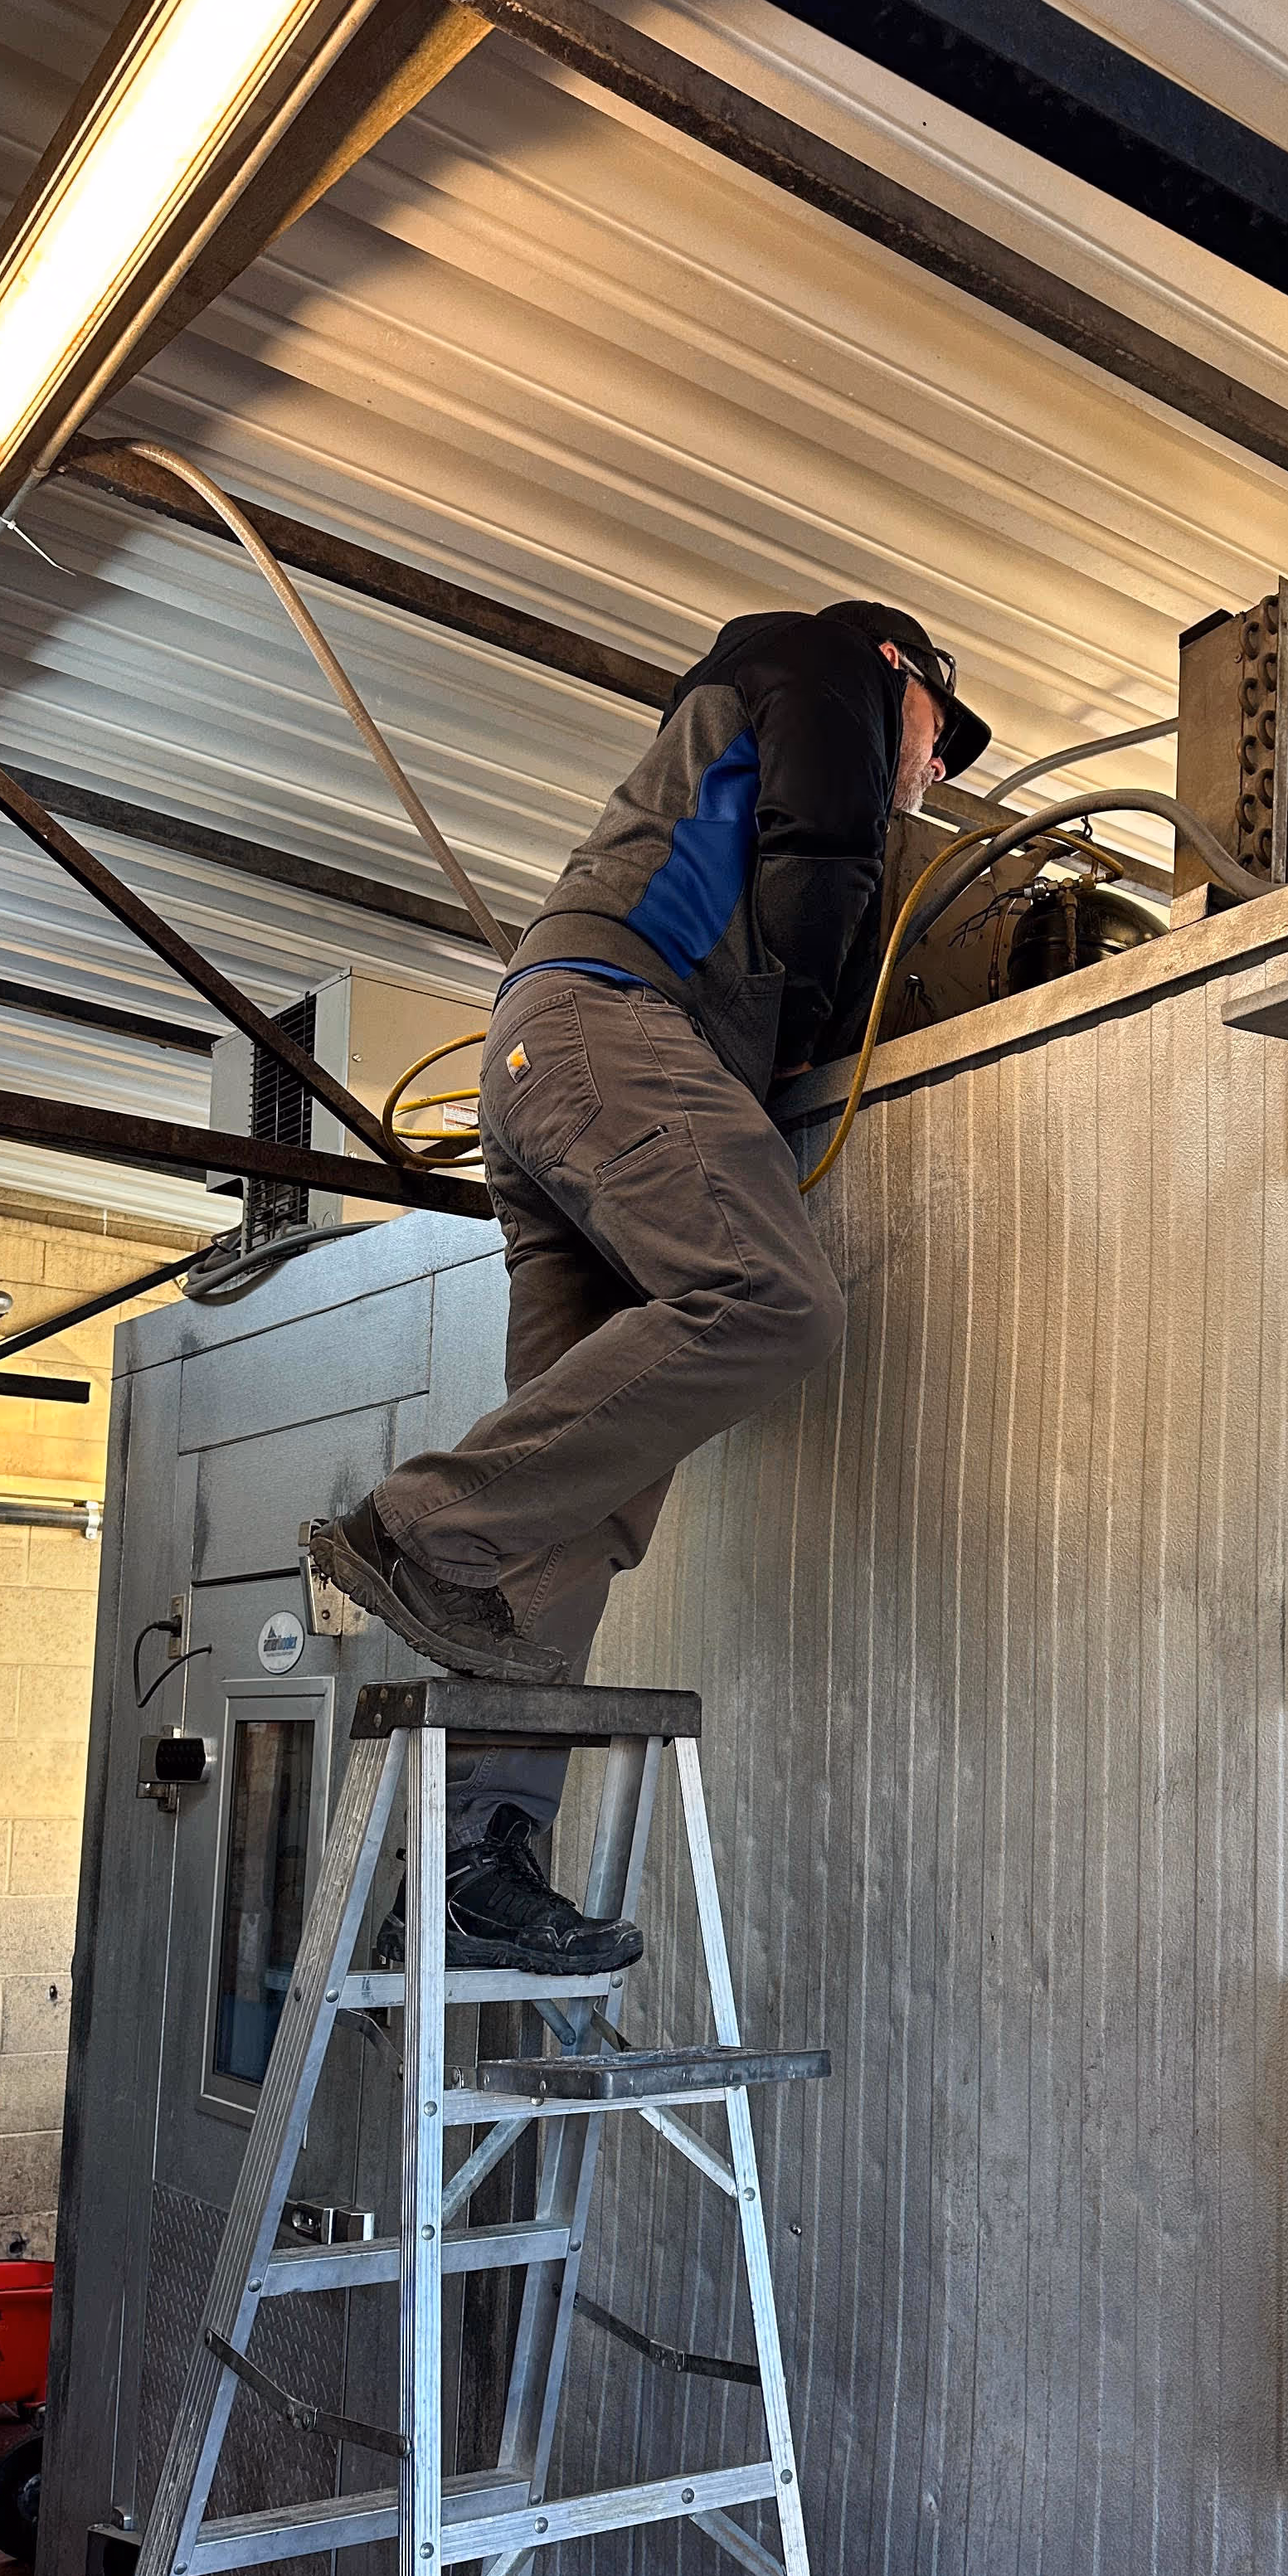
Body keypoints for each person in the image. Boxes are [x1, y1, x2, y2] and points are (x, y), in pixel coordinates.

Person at [310, 598, 987, 1975]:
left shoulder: (764, 722)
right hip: (608, 1033)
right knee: (773, 1298)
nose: (932, 773)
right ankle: (420, 1520)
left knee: (580, 1504)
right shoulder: (816, 664)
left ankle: (473, 1865)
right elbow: (819, 865)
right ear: (900, 675)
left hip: (551, 1067)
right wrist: (814, 1030)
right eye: (938, 742)